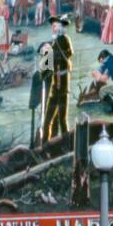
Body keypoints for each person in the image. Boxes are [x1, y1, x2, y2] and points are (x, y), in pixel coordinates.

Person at [39, 17, 73, 147]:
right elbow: (45, 71)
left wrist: (50, 51)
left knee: (62, 120)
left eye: (55, 26)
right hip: (55, 88)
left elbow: (66, 55)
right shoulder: (53, 43)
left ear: (60, 27)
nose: (53, 28)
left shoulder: (64, 40)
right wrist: (45, 54)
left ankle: (68, 147)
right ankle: (44, 147)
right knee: (48, 121)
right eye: (52, 26)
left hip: (63, 88)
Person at [91, 48, 113, 113]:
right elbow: (104, 72)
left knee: (102, 91)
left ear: (102, 58)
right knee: (109, 88)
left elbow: (102, 74)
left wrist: (96, 75)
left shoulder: (108, 61)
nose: (101, 63)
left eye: (101, 61)